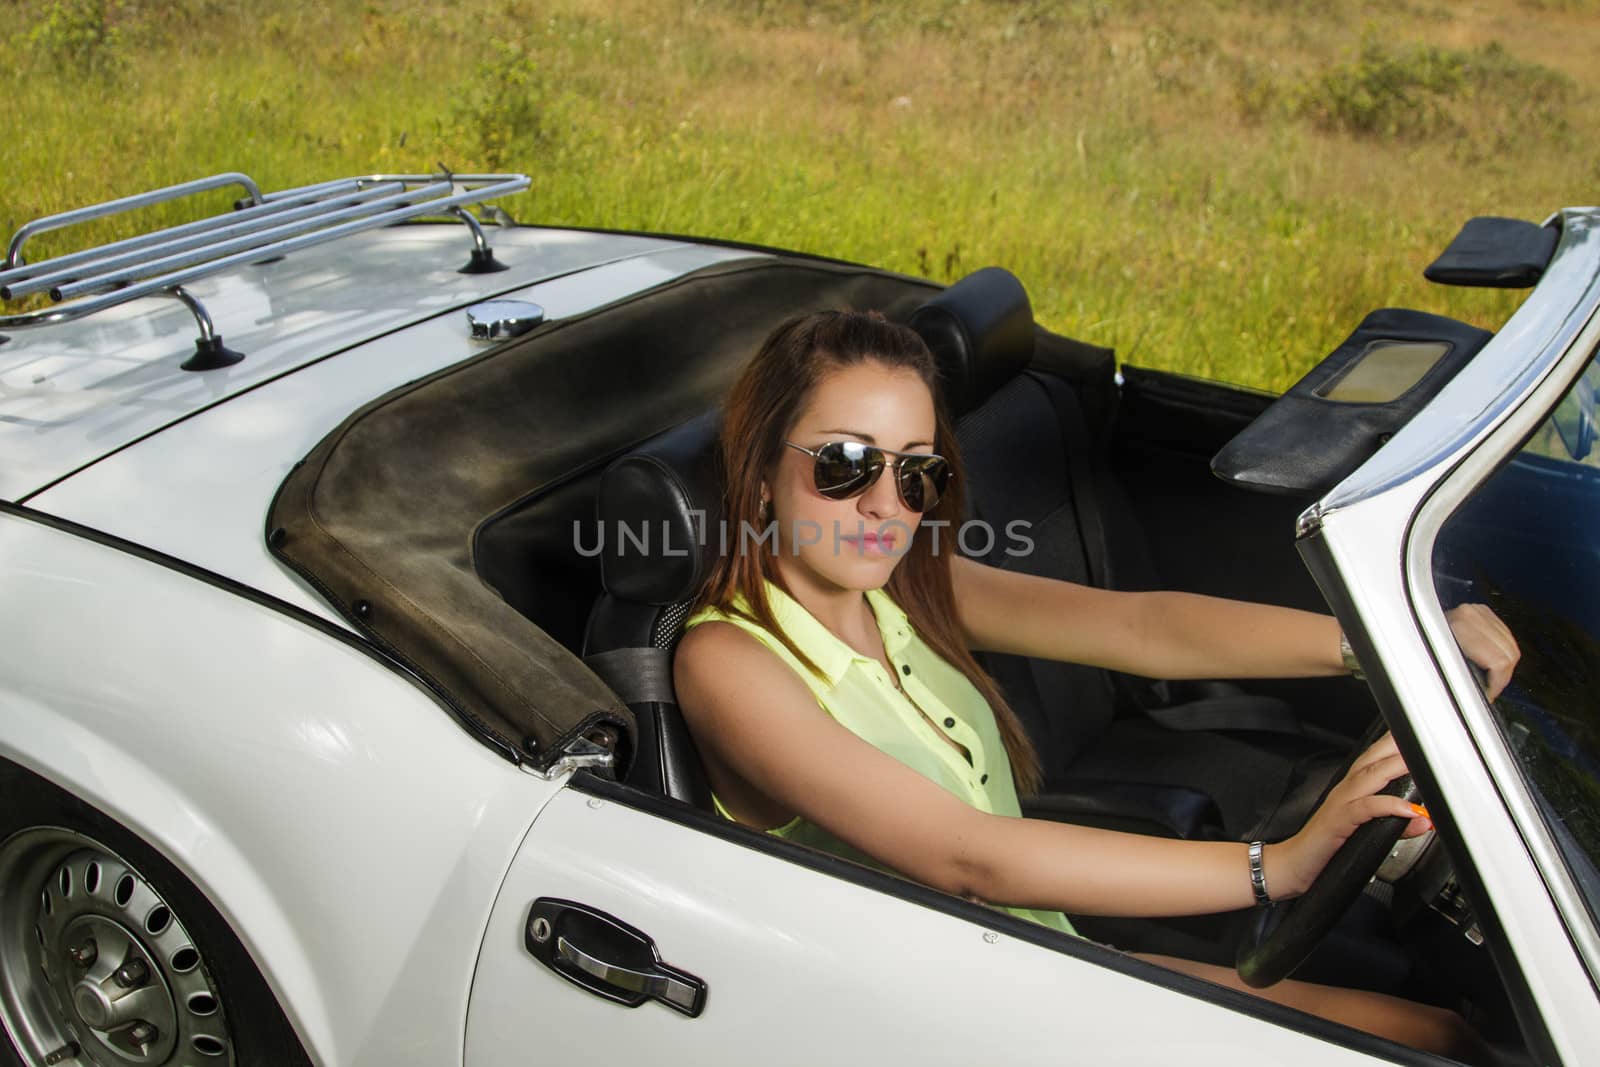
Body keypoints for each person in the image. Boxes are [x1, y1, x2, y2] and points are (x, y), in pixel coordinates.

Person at [673, 309, 1519, 1059]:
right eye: (846, 463)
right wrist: (1277, 868)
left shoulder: (909, 587)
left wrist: (1392, 643)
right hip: (955, 1020)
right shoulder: (729, 661)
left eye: (916, 471)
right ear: (756, 470)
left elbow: (1140, 628)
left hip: (1052, 960)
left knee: (1445, 1037)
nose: (885, 505)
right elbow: (972, 858)